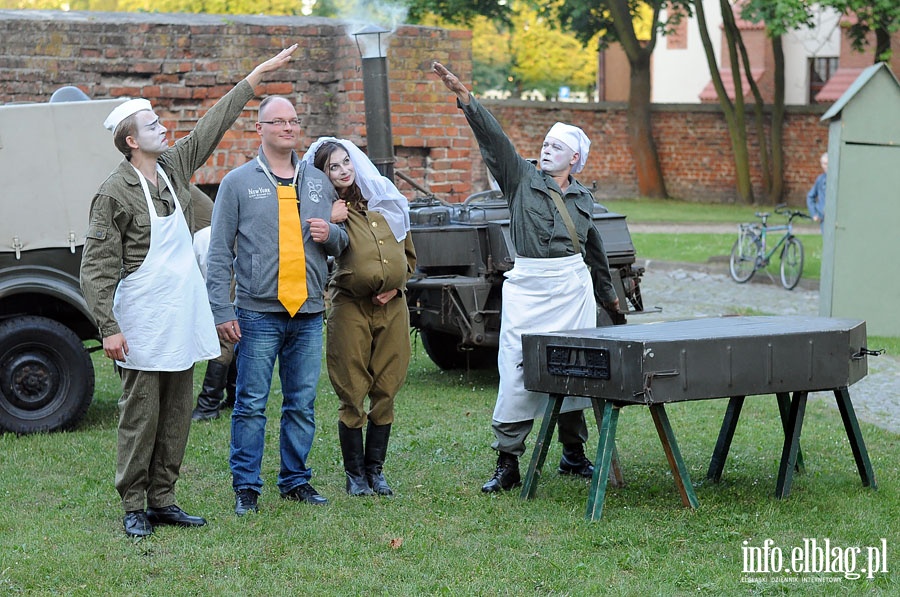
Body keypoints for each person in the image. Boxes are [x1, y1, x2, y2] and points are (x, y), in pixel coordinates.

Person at [80, 45, 299, 538]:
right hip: (139, 321)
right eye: (153, 124)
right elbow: (96, 268)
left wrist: (254, 78)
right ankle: (134, 503)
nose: (164, 128)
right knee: (141, 416)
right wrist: (108, 328)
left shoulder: (173, 170)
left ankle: (163, 498)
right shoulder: (113, 193)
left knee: (177, 413)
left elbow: (209, 127)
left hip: (178, 316)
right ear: (132, 140)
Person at [432, 62, 620, 493]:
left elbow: (595, 251)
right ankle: (508, 461)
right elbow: (496, 143)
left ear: (575, 158)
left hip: (573, 289)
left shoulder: (584, 198)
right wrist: (467, 100)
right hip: (529, 286)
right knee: (517, 367)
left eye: (558, 145)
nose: (548, 148)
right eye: (546, 142)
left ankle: (573, 454)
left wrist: (608, 296)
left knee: (578, 367)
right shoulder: (520, 179)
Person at [206, 96, 349, 516]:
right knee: (251, 403)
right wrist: (222, 310)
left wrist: (332, 233)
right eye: (278, 121)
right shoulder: (236, 182)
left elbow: (341, 246)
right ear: (260, 129)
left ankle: (295, 480)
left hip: (307, 312)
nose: (288, 127)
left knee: (301, 403)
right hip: (256, 312)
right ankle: (246, 487)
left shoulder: (319, 182)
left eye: (293, 120)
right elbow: (218, 254)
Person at [303, 137, 416, 497]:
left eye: (346, 162)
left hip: (392, 306)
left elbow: (409, 257)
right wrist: (327, 217)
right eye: (333, 166)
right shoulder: (326, 210)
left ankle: (376, 471)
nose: (343, 170)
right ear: (322, 174)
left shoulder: (384, 204)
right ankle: (355, 475)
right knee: (352, 387)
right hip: (350, 305)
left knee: (387, 385)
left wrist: (396, 288)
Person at [190, 184, 238, 421]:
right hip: (206, 244)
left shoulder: (162, 175)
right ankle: (235, 395)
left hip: (210, 245)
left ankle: (208, 405)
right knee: (228, 321)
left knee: (224, 322)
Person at [806, 152, 827, 231]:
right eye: (824, 164)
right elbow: (810, 196)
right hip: (824, 219)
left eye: (828, 163)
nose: (826, 166)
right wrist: (814, 214)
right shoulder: (820, 179)